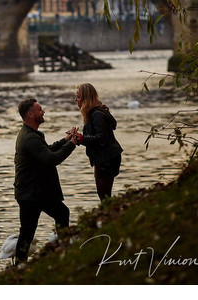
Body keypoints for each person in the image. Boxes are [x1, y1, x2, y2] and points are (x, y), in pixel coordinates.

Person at [13, 97, 79, 263]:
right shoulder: (30, 138)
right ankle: (61, 252)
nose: (43, 112)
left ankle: (23, 264)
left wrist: (65, 140)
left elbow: (46, 151)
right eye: (40, 109)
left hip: (36, 193)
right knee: (29, 231)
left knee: (30, 230)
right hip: (31, 194)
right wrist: (72, 143)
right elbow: (51, 159)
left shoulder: (32, 135)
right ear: (30, 114)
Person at [74, 83, 123, 200]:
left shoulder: (97, 115)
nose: (76, 100)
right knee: (104, 195)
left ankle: (110, 216)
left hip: (106, 159)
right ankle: (110, 216)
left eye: (78, 97)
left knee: (104, 196)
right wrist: (79, 137)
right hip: (104, 158)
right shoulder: (93, 114)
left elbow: (101, 138)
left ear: (86, 98)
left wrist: (81, 138)